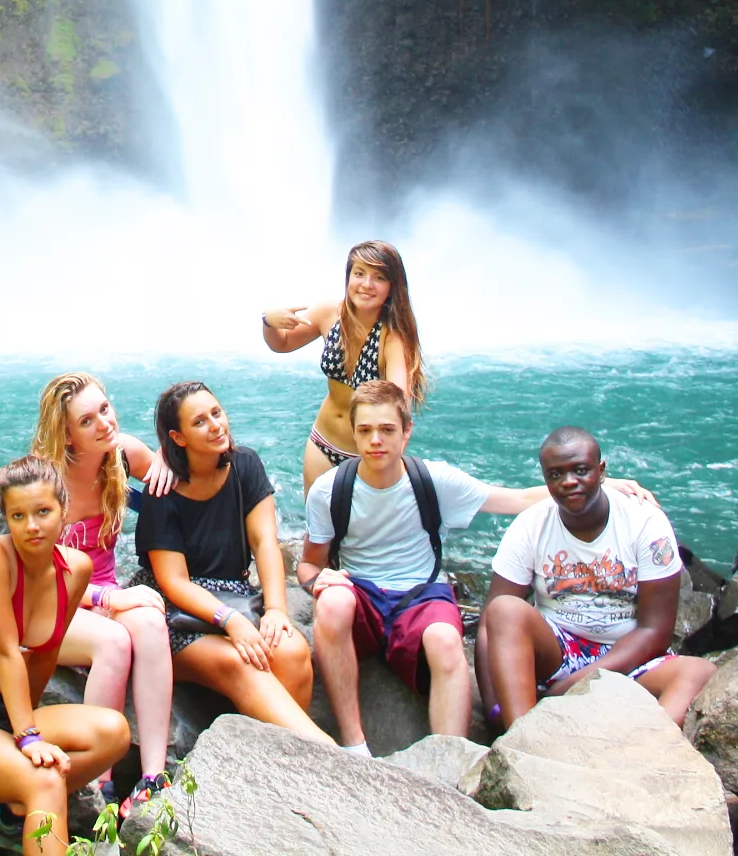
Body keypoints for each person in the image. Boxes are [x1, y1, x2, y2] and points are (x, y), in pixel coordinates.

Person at [299, 381, 655, 755]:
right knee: (333, 602)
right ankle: (354, 747)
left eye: (387, 430)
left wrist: (603, 482)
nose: (375, 441)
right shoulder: (330, 490)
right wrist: (316, 580)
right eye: (365, 430)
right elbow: (309, 565)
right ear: (353, 432)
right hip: (363, 594)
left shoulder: (434, 481)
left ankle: (449, 759)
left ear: (406, 432)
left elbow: (515, 499)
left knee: (446, 640)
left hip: (420, 594)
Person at [0, 455, 129, 855]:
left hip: (10, 715)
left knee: (114, 732)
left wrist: (24, 726)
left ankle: (12, 815)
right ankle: (28, 799)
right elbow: (8, 654)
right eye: (17, 516)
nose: (31, 526)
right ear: (6, 518)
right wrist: (29, 739)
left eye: (43, 512)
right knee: (44, 782)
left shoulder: (76, 569)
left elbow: (46, 654)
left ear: (64, 511)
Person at [477, 426, 716, 728]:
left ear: (601, 471)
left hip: (631, 656)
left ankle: (643, 754)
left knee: (699, 674)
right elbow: (489, 625)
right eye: (555, 475)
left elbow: (656, 631)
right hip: (558, 651)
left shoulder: (645, 523)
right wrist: (493, 709)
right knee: (504, 609)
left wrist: (578, 684)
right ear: (545, 478)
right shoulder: (530, 526)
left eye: (580, 470)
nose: (569, 483)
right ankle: (523, 741)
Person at [136, 381, 333, 744]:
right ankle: (326, 754)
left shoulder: (245, 465)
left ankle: (278, 763)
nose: (216, 425)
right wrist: (231, 621)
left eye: (216, 413)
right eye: (200, 422)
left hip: (235, 593)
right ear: (178, 438)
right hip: (175, 611)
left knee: (291, 651)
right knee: (242, 662)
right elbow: (174, 582)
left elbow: (264, 543)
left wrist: (275, 609)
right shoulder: (161, 492)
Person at [30, 373, 174, 815]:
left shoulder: (125, 454)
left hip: (104, 590)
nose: (104, 424)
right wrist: (112, 601)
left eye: (105, 410)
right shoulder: (44, 481)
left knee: (150, 622)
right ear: (67, 434)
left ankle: (153, 778)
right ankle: (101, 786)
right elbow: (43, 574)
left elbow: (179, 488)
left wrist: (169, 460)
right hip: (51, 602)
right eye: (87, 421)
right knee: (114, 642)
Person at [261, 240, 428, 493]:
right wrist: (269, 321)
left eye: (379, 277)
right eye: (359, 273)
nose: (366, 284)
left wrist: (390, 460)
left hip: (365, 454)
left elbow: (399, 402)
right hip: (321, 443)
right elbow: (281, 344)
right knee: (317, 528)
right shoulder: (330, 312)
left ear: (392, 286)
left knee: (360, 531)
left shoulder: (392, 339)